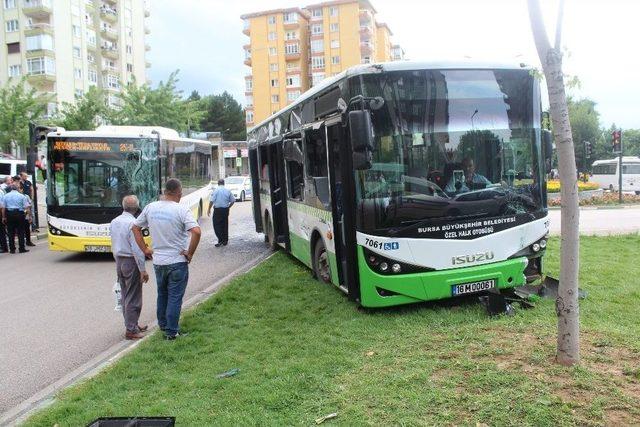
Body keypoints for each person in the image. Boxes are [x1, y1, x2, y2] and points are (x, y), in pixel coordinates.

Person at [132, 178, 201, 340]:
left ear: (165, 192)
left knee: (162, 294)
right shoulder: (181, 210)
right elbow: (196, 232)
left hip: (158, 261)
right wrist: (189, 253)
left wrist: (144, 249)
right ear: (179, 192)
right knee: (175, 297)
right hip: (177, 261)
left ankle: (163, 325)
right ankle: (171, 332)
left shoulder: (151, 207)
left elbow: (135, 227)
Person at [110, 195, 150, 340]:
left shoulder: (115, 221)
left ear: (123, 206)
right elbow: (137, 249)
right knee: (134, 296)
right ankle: (131, 329)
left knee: (126, 294)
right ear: (137, 207)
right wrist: (143, 270)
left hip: (120, 260)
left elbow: (113, 242)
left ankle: (131, 323)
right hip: (131, 261)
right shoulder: (134, 224)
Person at [207, 179, 235, 247]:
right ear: (224, 183)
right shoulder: (228, 191)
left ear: (218, 184)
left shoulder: (216, 191)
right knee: (225, 225)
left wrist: (209, 209)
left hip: (218, 210)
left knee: (216, 225)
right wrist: (228, 207)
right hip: (225, 210)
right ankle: (225, 241)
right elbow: (233, 201)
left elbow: (211, 201)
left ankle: (220, 240)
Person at [3, 184, 29, 253]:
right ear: (17, 188)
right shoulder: (22, 196)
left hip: (9, 214)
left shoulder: (6, 196)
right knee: (21, 231)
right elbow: (26, 207)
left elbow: (3, 208)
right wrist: (26, 214)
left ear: (11, 189)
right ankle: (21, 248)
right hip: (19, 214)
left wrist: (3, 217)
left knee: (11, 232)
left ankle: (12, 249)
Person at [18, 182, 35, 247]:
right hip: (19, 214)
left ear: (22, 189)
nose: (19, 190)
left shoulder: (26, 196)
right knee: (20, 230)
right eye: (18, 189)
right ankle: (21, 244)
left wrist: (30, 216)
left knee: (27, 229)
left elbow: (29, 206)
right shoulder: (18, 196)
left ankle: (28, 241)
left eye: (20, 189)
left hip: (26, 215)